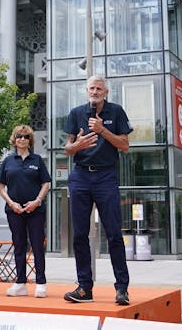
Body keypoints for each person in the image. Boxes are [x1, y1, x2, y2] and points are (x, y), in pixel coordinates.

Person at [63, 74, 132, 305]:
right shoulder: (76, 113)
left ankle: (122, 288)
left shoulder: (116, 112)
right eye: (91, 88)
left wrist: (102, 130)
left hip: (106, 176)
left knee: (113, 233)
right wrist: (77, 145)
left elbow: (124, 146)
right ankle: (84, 288)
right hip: (81, 175)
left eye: (99, 88)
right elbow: (68, 149)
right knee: (79, 234)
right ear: (86, 91)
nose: (95, 92)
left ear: (106, 92)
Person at [0, 124, 50, 298]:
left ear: (30, 140)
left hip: (35, 210)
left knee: (37, 246)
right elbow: (1, 186)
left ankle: (41, 283)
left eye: (25, 137)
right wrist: (11, 203)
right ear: (14, 139)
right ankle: (20, 283)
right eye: (19, 136)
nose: (21, 139)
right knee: (19, 246)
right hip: (15, 211)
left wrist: (37, 201)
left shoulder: (37, 160)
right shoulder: (8, 161)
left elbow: (46, 183)